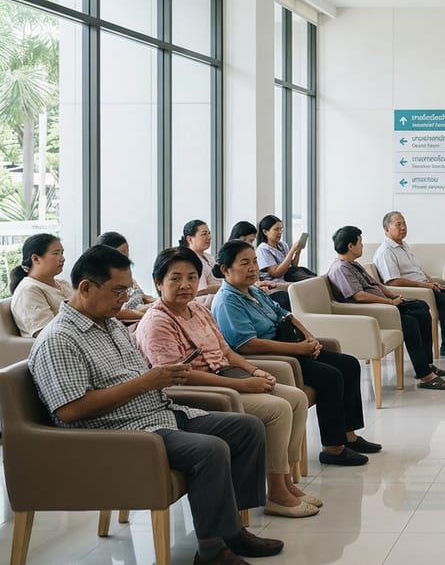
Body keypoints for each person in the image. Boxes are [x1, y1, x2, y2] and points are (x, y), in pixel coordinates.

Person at [27, 245, 283, 565]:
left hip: (159, 414)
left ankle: (231, 529)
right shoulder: (59, 339)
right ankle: (212, 552)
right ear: (86, 288)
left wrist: (157, 380)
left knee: (246, 427)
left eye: (128, 289)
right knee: (211, 450)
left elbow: (141, 376)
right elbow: (71, 410)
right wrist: (146, 382)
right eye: (119, 290)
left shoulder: (111, 324)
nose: (126, 298)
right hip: (119, 433)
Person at [136, 247, 319, 517]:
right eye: (175, 279)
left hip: (226, 378)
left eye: (191, 277)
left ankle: (284, 480)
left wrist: (253, 371)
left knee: (296, 398)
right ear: (158, 283)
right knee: (277, 409)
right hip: (199, 392)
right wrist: (243, 385)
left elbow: (227, 351)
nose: (185, 285)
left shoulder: (197, 309)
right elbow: (177, 376)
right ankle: (277, 492)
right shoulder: (157, 322)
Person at [210, 240, 382, 466]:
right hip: (271, 359)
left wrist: (309, 337)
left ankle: (348, 435)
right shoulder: (227, 301)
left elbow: (284, 313)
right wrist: (298, 348)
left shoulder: (252, 290)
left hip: (289, 346)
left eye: (254, 261)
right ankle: (333, 448)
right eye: (245, 263)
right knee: (330, 376)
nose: (253, 268)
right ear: (225, 269)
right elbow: (247, 345)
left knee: (349, 364)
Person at [329, 225, 445, 390]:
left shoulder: (354, 265)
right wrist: (389, 303)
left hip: (384, 306)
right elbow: (359, 296)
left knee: (422, 308)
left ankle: (426, 364)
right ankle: (425, 376)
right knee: (410, 323)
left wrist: (393, 296)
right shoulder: (340, 269)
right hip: (373, 312)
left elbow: (376, 284)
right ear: (350, 246)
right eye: (360, 242)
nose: (362, 245)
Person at [374, 211, 445, 357]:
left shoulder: (404, 246)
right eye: (398, 224)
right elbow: (393, 281)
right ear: (386, 229)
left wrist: (431, 281)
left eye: (404, 223)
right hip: (415, 291)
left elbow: (417, 270)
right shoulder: (386, 252)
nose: (403, 227)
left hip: (425, 286)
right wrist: (426, 286)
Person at [9, 233, 72, 337]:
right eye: (56, 253)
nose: (62, 259)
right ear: (36, 259)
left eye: (62, 253)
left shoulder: (63, 284)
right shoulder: (28, 290)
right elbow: (47, 334)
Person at [94, 231, 156, 322]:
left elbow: (144, 297)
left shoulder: (129, 279)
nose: (125, 260)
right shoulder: (100, 282)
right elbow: (118, 312)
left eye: (127, 256)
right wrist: (149, 316)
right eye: (121, 256)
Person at [256, 214, 316, 282]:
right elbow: (276, 273)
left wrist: (297, 252)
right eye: (276, 229)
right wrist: (292, 250)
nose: (280, 232)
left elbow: (293, 266)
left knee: (312, 280)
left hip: (289, 278)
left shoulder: (283, 245)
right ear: (265, 232)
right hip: (276, 283)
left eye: (281, 229)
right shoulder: (263, 249)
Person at [180, 219, 223, 307]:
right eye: (204, 234)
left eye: (209, 233)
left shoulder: (209, 257)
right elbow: (200, 295)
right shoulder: (190, 261)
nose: (209, 237)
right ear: (189, 239)